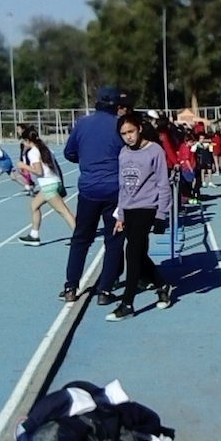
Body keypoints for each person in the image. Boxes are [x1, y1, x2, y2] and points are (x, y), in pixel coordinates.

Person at [61, 86, 128, 304]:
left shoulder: (82, 124)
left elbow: (69, 153)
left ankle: (71, 286)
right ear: (117, 106)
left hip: (88, 189)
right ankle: (105, 290)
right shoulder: (120, 126)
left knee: (81, 239)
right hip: (114, 190)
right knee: (114, 240)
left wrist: (87, 160)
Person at [106, 113, 173, 322]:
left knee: (132, 251)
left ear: (139, 129)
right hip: (130, 209)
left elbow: (163, 184)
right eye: (123, 134)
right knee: (139, 254)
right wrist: (121, 214)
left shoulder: (155, 151)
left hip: (148, 207)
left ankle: (127, 303)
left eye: (131, 132)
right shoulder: (123, 154)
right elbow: (123, 187)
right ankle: (162, 284)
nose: (128, 137)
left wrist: (162, 214)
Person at [17, 128, 76, 246]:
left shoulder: (33, 152)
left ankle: (79, 237)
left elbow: (38, 172)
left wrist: (24, 166)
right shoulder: (46, 149)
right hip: (54, 182)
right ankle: (34, 235)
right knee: (34, 205)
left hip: (48, 185)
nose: (23, 143)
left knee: (64, 211)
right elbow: (57, 167)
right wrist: (61, 184)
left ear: (28, 140)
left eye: (23, 141)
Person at [0, 132, 29, 198]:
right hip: (7, 161)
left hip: (4, 163)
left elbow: (0, 154)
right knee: (13, 178)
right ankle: (27, 187)